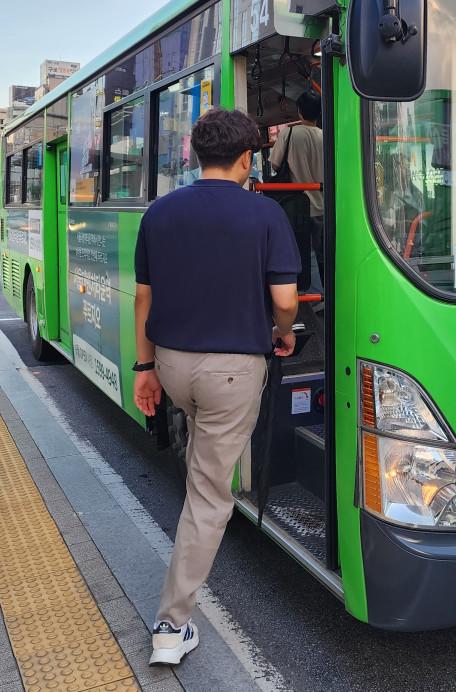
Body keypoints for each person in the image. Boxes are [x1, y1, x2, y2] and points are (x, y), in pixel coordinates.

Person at [133, 108, 300, 667]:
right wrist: (284, 336)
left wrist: (144, 369)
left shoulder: (160, 212)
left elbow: (144, 299)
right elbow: (284, 302)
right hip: (231, 372)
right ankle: (170, 624)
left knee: (199, 452)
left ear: (196, 154)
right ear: (248, 158)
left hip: (173, 364)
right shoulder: (265, 213)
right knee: (208, 495)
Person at [269, 91, 324, 290]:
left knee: (303, 252)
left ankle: (312, 299)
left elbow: (275, 165)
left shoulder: (289, 134)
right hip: (324, 206)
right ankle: (325, 297)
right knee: (322, 253)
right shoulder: (326, 136)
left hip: (297, 207)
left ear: (299, 111)